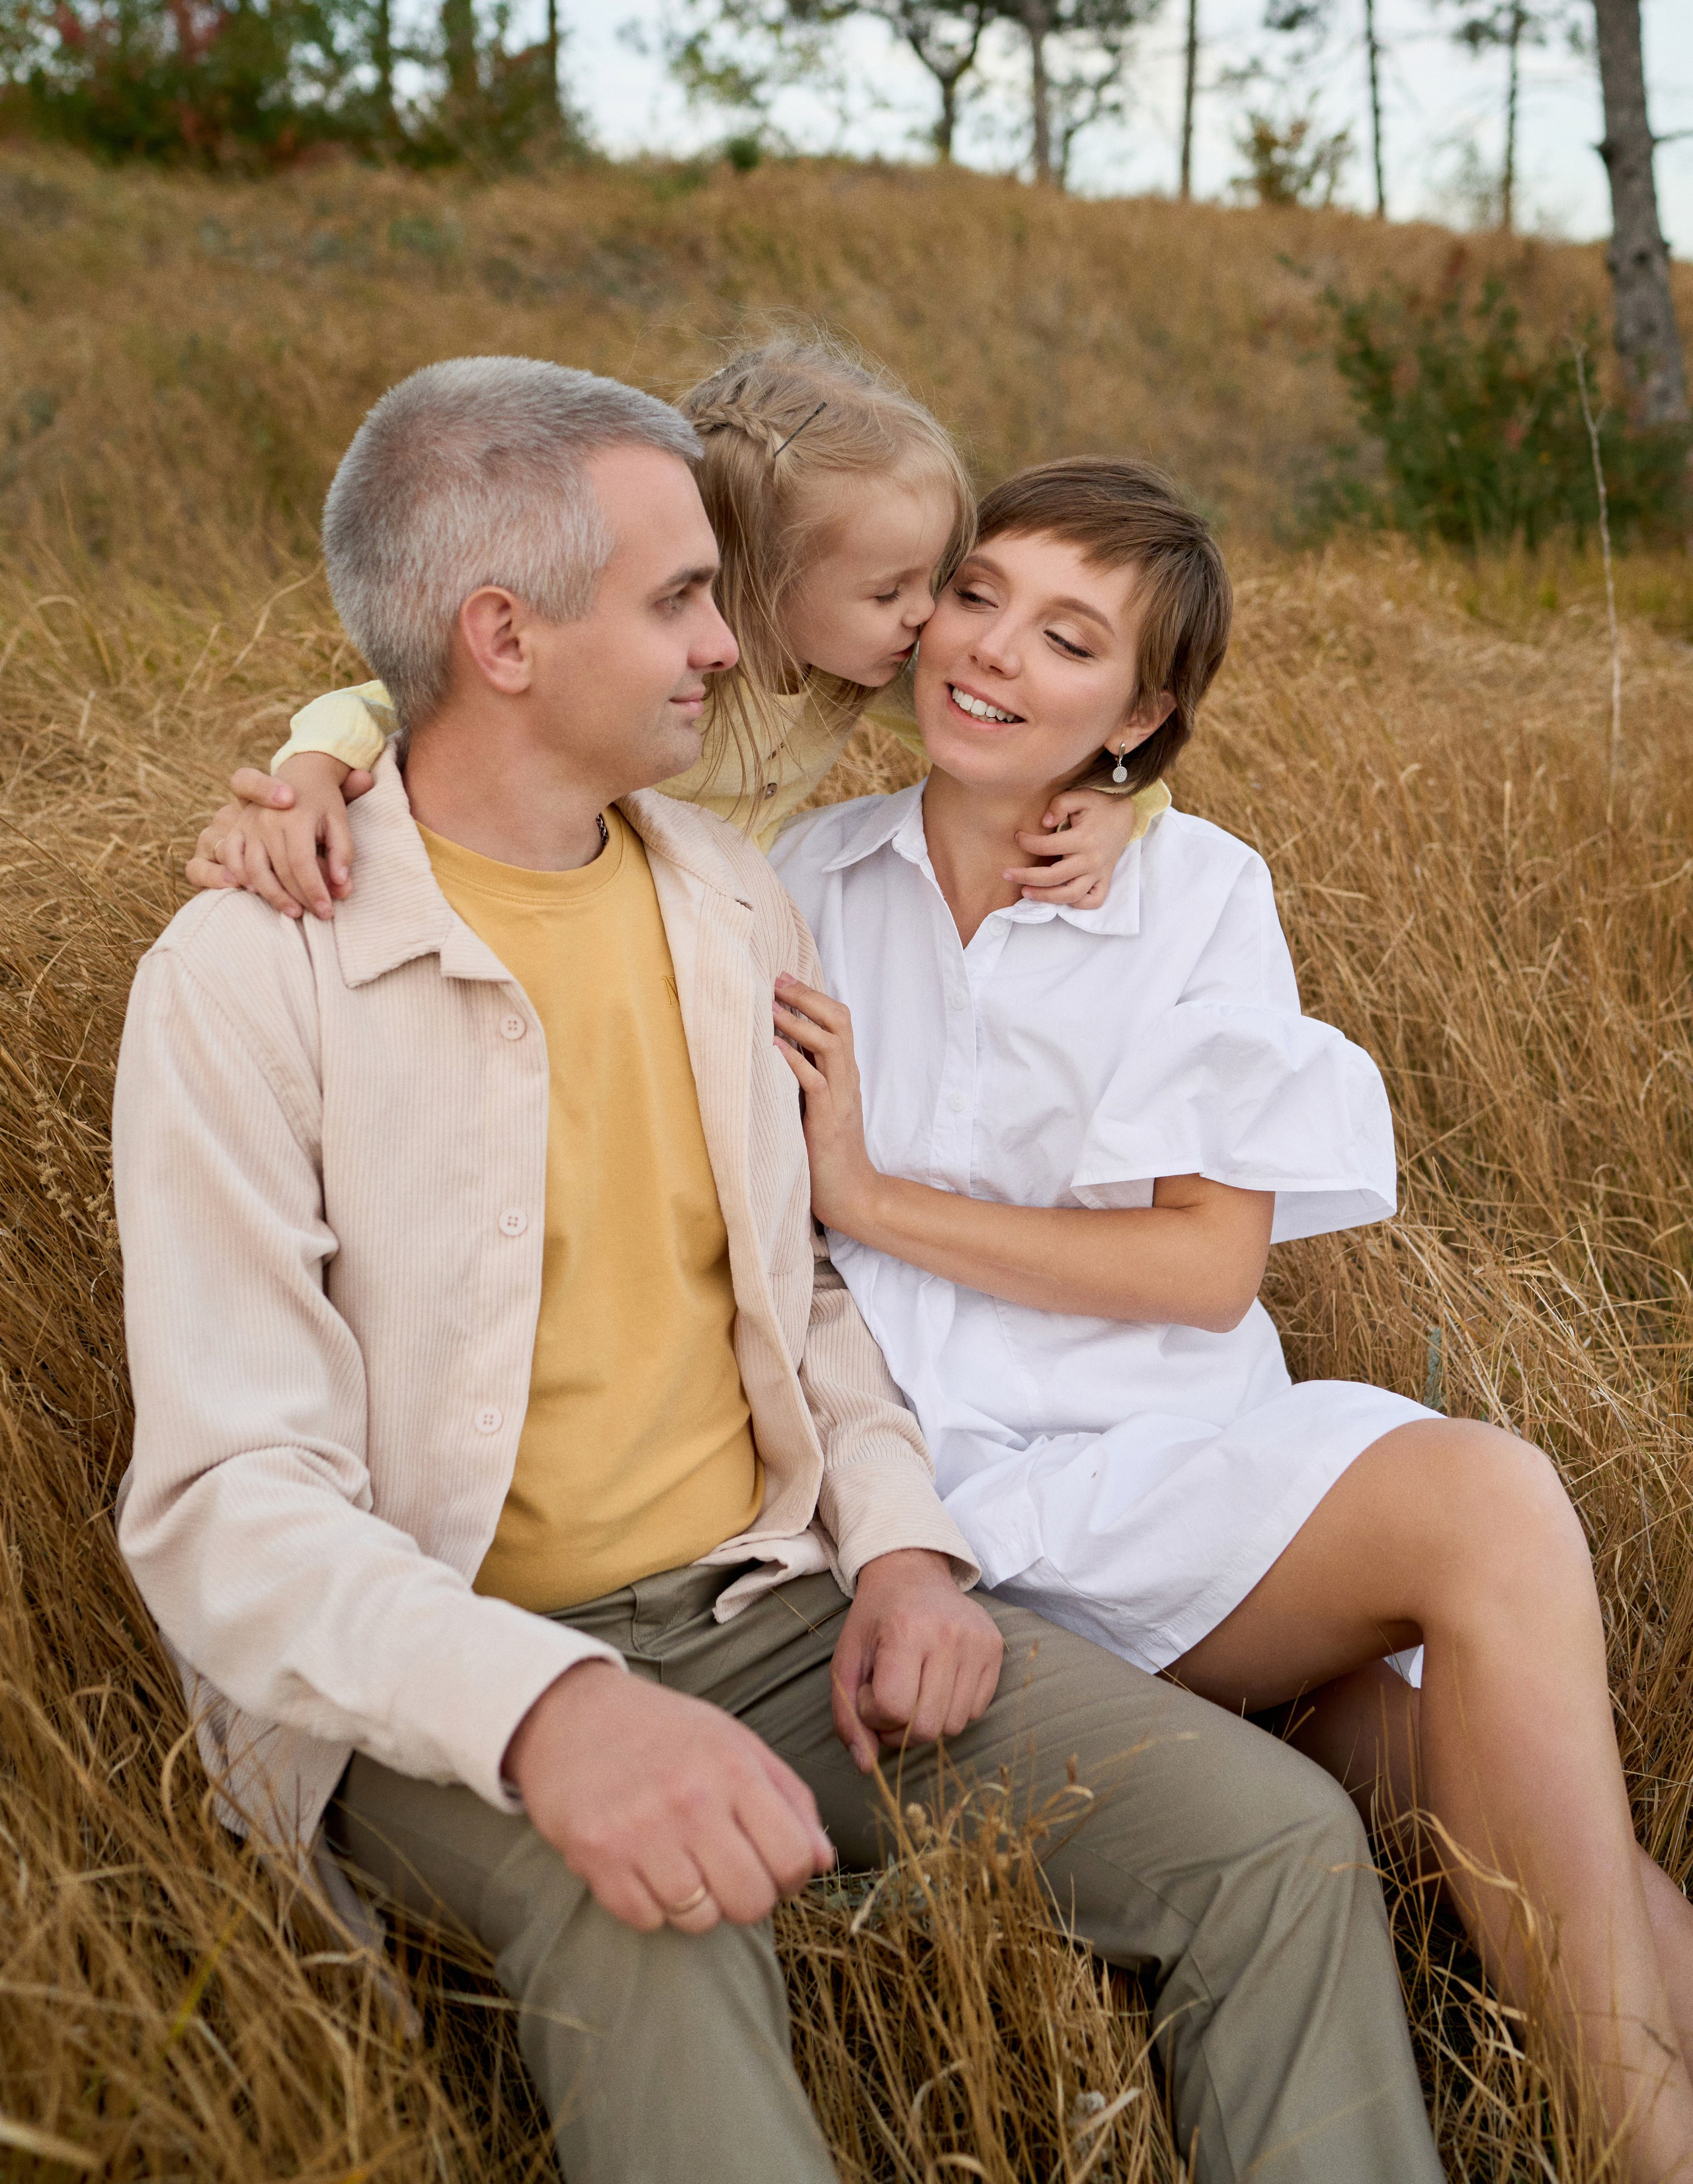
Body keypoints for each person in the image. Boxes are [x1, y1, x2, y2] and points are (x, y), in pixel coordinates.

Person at [114, 359, 1445, 2184]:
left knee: (1273, 1843)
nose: (732, 645)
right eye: (679, 601)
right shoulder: (251, 967)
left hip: (775, 1605)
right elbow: (227, 1501)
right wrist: (549, 1710)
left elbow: (799, 1291)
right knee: (663, 1915)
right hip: (440, 1662)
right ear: (503, 635)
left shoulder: (734, 901)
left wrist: (901, 1547)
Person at [768, 454, 1693, 2183]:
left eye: (1070, 639)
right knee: (1479, 1570)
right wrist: (304, 761)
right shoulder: (795, 882)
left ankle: (1646, 2142)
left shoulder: (1191, 893)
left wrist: (873, 1195)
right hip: (946, 1514)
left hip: (1181, 1477)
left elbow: (1201, 1273)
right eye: (978, 597)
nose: (993, 654)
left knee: (1504, 1780)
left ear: (1145, 709)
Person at [186, 339, 1153, 916]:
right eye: (889, 588)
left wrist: (1121, 805)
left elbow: (1035, 736)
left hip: (714, 931)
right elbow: (392, 702)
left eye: (934, 578)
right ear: (763, 585)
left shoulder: (859, 669)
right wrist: (305, 777)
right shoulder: (663, 678)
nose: (926, 614)